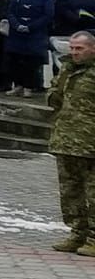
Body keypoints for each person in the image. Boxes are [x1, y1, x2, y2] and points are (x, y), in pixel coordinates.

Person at [45, 30, 95, 257]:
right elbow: (54, 99)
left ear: (92, 49)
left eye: (79, 49)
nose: (74, 53)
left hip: (90, 143)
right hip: (66, 140)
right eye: (72, 48)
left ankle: (93, 238)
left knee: (93, 193)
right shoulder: (67, 68)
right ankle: (77, 233)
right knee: (70, 192)